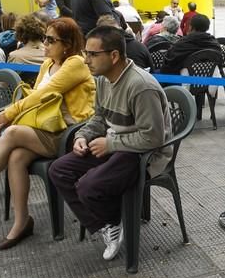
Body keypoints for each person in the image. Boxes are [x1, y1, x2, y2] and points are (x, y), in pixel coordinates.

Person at [0, 18, 96, 250]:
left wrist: (9, 113)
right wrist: (11, 112)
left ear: (68, 44)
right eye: (44, 38)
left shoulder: (75, 64)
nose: (45, 44)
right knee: (16, 157)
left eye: (51, 40)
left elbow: (44, 94)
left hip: (69, 133)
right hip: (44, 128)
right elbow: (36, 100)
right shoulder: (47, 64)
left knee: (10, 133)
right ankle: (22, 222)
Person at [48, 25, 172, 260]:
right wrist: (82, 136)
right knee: (59, 170)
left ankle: (111, 217)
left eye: (92, 55)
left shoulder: (140, 86)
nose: (86, 61)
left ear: (114, 56)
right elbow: (99, 118)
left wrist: (111, 144)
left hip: (143, 154)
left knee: (88, 186)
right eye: (86, 54)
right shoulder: (103, 80)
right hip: (115, 145)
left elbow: (153, 138)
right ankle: (108, 223)